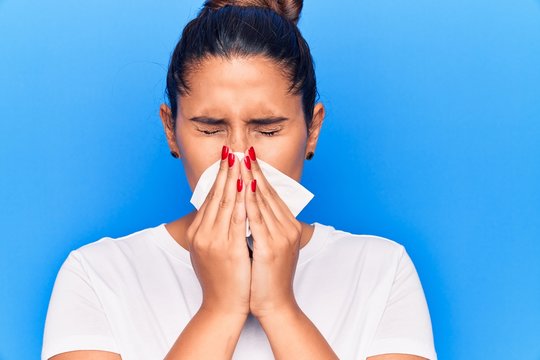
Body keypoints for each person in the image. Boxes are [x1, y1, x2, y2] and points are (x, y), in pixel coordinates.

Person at [41, 1, 437, 359]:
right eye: (210, 130)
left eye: (267, 130)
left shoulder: (382, 272)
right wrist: (220, 309)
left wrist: (280, 308)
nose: (239, 157)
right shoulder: (96, 276)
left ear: (312, 130)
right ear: (170, 131)